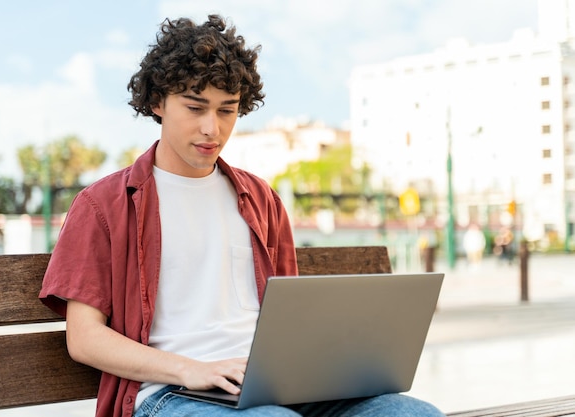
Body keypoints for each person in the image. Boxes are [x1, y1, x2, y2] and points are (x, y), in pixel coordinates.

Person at [39, 14, 445, 417]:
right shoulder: (102, 205)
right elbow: (85, 338)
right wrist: (191, 369)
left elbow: (290, 315)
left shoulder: (261, 198)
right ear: (157, 101)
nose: (211, 129)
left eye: (227, 111)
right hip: (170, 392)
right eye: (195, 108)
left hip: (272, 386)